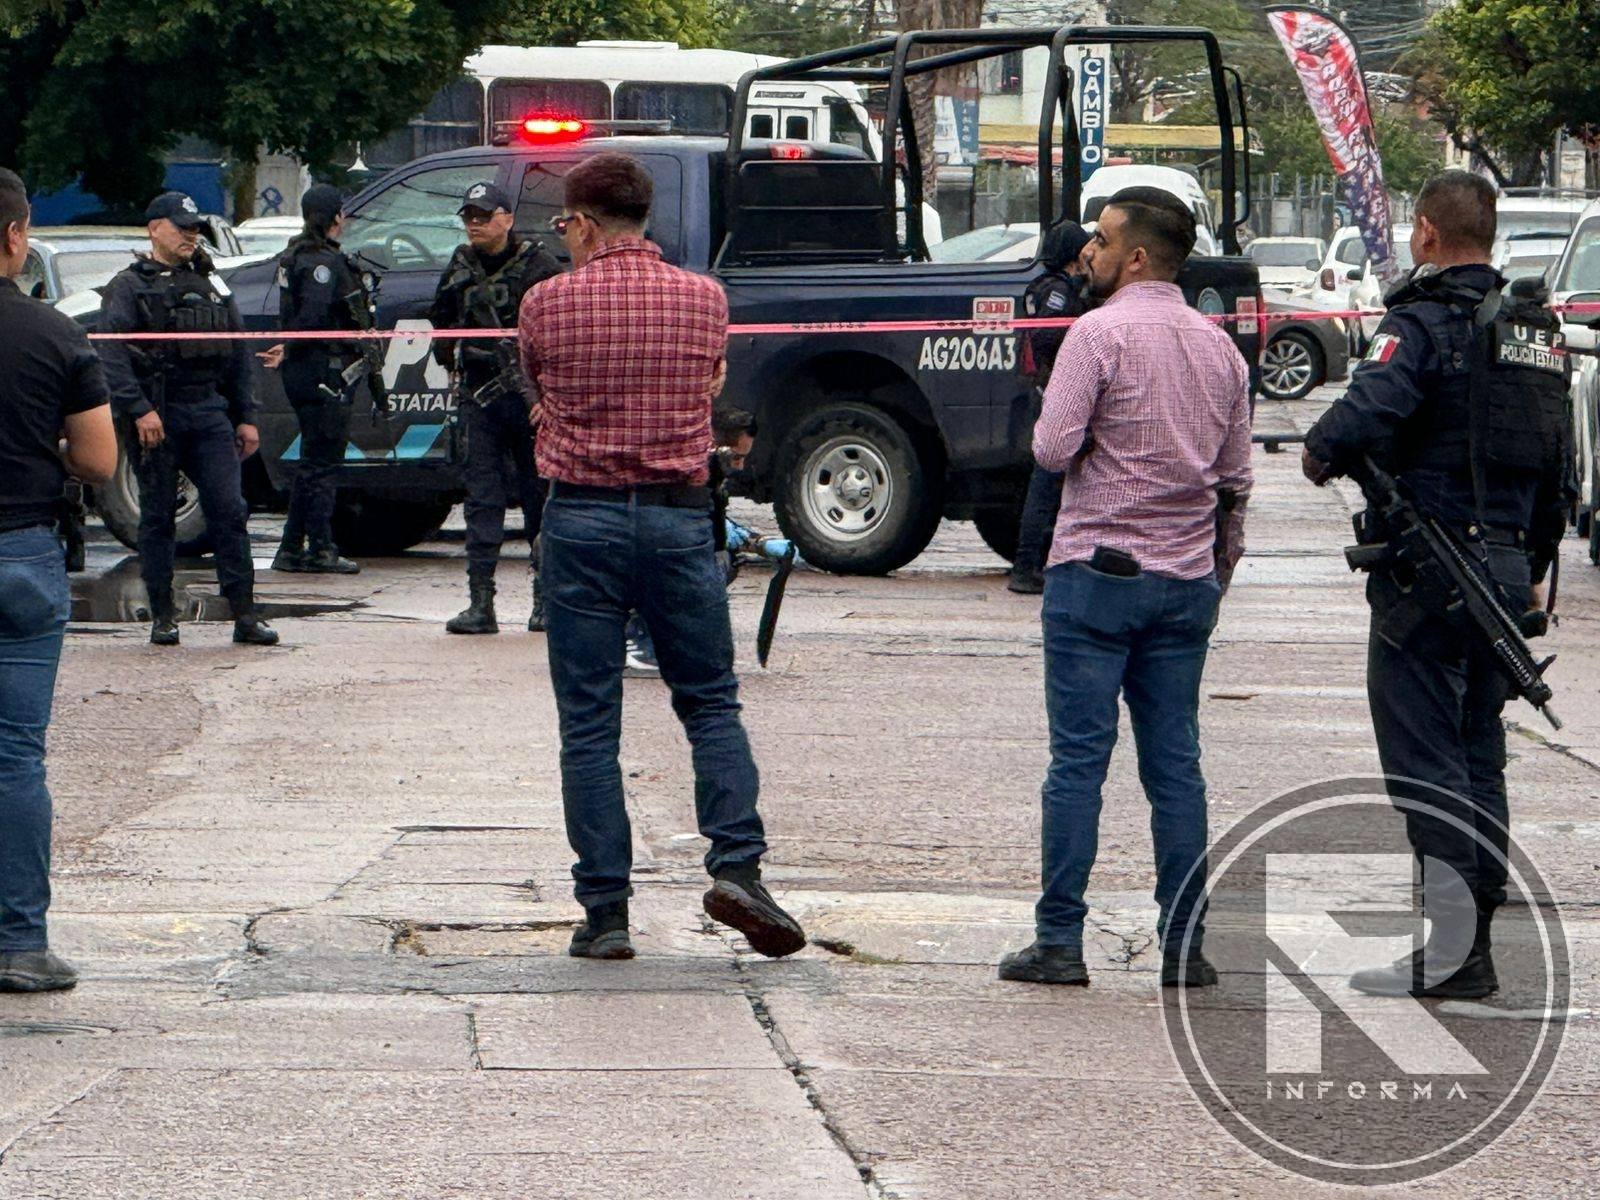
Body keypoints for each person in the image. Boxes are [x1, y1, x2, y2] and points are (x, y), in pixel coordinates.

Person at [519, 152, 805, 961]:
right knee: (711, 702)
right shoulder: (704, 300)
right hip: (679, 523)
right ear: (644, 218)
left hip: (581, 521)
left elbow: (537, 385)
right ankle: (738, 866)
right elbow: (711, 386)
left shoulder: (546, 303)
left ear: (580, 221)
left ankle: (606, 912)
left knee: (588, 723)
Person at [1302, 170, 1570, 999]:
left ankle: (1453, 951)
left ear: (1426, 233)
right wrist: (1529, 570)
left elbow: (1361, 417)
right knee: (1479, 755)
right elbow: (1558, 467)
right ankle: (1472, 946)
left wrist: (1320, 447)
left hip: (1430, 572)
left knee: (1426, 765)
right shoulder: (1536, 332)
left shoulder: (1420, 323)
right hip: (1503, 569)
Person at [998, 187, 1252, 989]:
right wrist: (1217, 575)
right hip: (1183, 584)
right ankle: (1185, 945)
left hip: (1096, 577)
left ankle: (1059, 942)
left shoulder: (1095, 335)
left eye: (1103, 241)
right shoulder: (1221, 352)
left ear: (1136, 255)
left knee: (1077, 761)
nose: (1091, 254)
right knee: (1176, 766)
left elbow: (1052, 448)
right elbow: (1235, 483)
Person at [0, 167, 118, 992]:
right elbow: (101, 460)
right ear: (15, 235)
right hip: (22, 553)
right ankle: (20, 943)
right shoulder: (53, 334)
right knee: (13, 757)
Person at [98, 192, 279, 647]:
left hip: (208, 411)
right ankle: (163, 615)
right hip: (158, 413)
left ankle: (244, 613)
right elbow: (112, 355)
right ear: (154, 228)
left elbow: (238, 353)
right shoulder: (128, 286)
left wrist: (246, 416)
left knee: (230, 510)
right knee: (158, 517)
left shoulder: (213, 284)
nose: (190, 234)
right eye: (181, 227)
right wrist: (139, 409)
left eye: (195, 227)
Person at [430, 181, 560, 634]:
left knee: (537, 499)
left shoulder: (539, 267)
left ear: (507, 218)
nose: (475, 225)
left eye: (484, 216)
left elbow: (555, 337)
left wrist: (545, 395)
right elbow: (441, 322)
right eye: (469, 217)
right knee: (481, 499)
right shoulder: (461, 265)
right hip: (479, 394)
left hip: (528, 400)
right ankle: (480, 602)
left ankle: (545, 600)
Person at [266, 183, 375, 576]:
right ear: (335, 217)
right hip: (321, 370)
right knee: (323, 464)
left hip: (308, 368)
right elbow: (312, 318)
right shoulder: (319, 262)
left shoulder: (296, 255)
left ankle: (292, 548)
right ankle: (321, 547)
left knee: (313, 460)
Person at [623, 405, 759, 676]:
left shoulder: (708, 471)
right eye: (736, 457)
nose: (740, 466)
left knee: (717, 566)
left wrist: (746, 542)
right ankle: (636, 640)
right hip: (636, 541)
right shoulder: (686, 467)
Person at [1009, 221, 1093, 594]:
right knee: (1046, 483)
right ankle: (1027, 567)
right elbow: (1047, 332)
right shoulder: (1056, 290)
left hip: (1049, 389)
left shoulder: (1051, 286)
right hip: (1050, 391)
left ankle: (1040, 562)